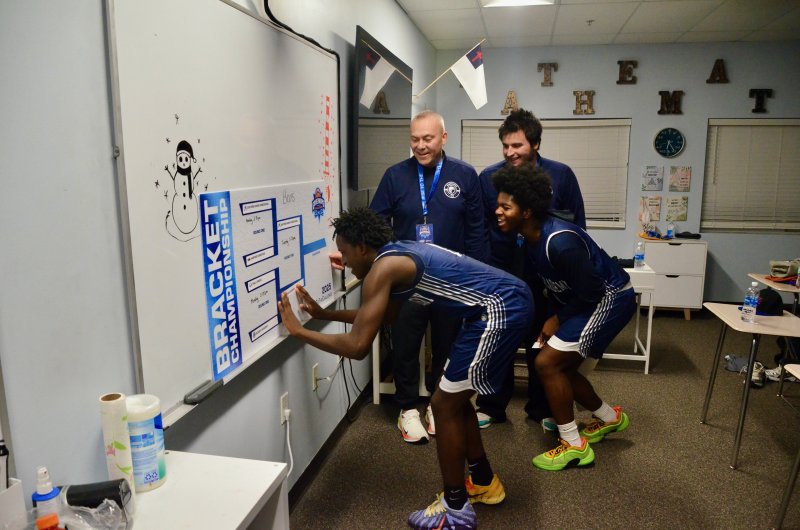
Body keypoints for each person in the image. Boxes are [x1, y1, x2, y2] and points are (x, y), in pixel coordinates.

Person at [278, 207, 533, 529]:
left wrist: (300, 332)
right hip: (494, 307)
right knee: (452, 399)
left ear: (361, 247)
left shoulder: (383, 269)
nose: (344, 261)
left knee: (443, 405)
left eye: (344, 252)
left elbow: (357, 347)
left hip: (501, 309)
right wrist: (324, 316)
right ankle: (483, 482)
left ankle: (455, 510)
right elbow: (386, 317)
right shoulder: (395, 256)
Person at [491, 164, 633, 470]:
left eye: (506, 206)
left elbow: (593, 291)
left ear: (527, 211)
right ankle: (611, 418)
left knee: (547, 363)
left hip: (611, 298)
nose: (498, 211)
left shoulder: (560, 241)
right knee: (561, 368)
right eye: (498, 205)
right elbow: (559, 288)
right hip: (584, 300)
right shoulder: (528, 237)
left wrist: (556, 320)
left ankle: (574, 446)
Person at [369, 110, 486, 444]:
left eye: (428, 138)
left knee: (448, 345)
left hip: (452, 281)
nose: (421, 146)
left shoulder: (464, 175)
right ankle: (407, 409)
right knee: (405, 344)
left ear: (443, 138)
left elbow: (477, 231)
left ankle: (438, 403)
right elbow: (376, 224)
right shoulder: (395, 176)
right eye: (415, 139)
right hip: (409, 282)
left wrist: (475, 280)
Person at [475, 108, 586, 430]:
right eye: (506, 146)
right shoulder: (489, 177)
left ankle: (544, 408)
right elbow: (480, 227)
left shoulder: (561, 175)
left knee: (542, 343)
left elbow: (577, 226)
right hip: (503, 272)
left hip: (546, 276)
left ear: (535, 144)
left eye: (518, 146)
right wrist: (485, 271)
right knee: (497, 341)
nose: (511, 153)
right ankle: (492, 406)